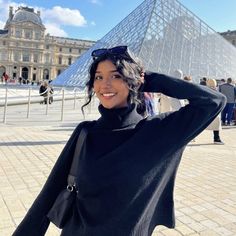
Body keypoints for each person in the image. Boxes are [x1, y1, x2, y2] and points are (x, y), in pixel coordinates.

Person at [13, 45, 226, 236]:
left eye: (116, 76)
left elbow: (213, 101)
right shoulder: (84, 133)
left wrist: (149, 79)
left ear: (133, 79)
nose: (105, 85)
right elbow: (48, 195)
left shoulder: (159, 133)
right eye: (98, 77)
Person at [206, 78, 224, 144]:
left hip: (206, 111)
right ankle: (216, 139)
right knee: (216, 126)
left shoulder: (206, 90)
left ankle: (190, 137)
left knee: (198, 125)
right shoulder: (216, 92)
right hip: (215, 111)